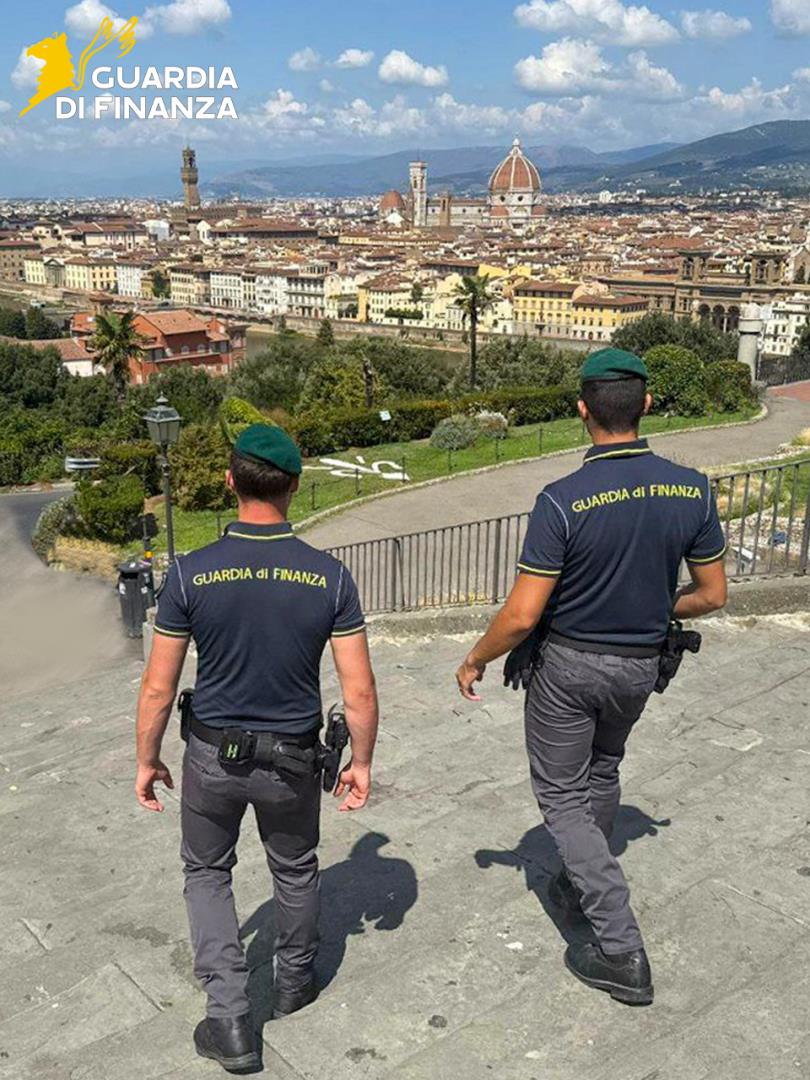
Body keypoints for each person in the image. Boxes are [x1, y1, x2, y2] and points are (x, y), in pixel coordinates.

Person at [456, 348, 727, 1006]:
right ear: (647, 406)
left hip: (570, 668)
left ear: (583, 411)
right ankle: (579, 883)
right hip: (641, 666)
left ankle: (620, 945)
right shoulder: (691, 489)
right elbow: (713, 594)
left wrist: (475, 659)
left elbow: (523, 616)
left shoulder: (561, 501)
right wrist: (653, 606)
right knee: (602, 772)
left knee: (561, 798)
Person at [135, 424, 379, 1072]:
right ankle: (295, 986)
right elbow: (359, 691)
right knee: (295, 869)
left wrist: (147, 758)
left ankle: (230, 1021)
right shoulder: (329, 578)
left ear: (228, 482)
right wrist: (360, 762)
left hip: (212, 756)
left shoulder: (190, 573)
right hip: (294, 759)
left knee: (207, 872)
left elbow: (159, 688)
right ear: (294, 487)